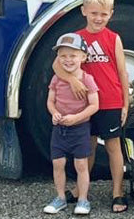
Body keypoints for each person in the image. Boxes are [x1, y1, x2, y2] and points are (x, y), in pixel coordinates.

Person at [52, 0, 130, 213]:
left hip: (111, 101)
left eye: (103, 14)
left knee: (114, 147)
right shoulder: (76, 39)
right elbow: (56, 64)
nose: (98, 18)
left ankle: (118, 191)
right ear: (84, 11)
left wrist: (125, 102)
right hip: (84, 104)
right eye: (94, 13)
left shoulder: (113, 38)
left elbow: (122, 72)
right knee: (88, 147)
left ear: (111, 14)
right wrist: (72, 80)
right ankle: (79, 191)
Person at [44, 33, 99, 215]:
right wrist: (54, 113)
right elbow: (50, 101)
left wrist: (76, 118)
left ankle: (83, 199)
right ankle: (60, 197)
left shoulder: (87, 79)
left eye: (73, 56)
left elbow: (94, 105)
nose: (68, 60)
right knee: (58, 163)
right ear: (57, 58)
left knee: (81, 165)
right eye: (63, 56)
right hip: (59, 129)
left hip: (80, 129)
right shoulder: (56, 79)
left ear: (83, 57)